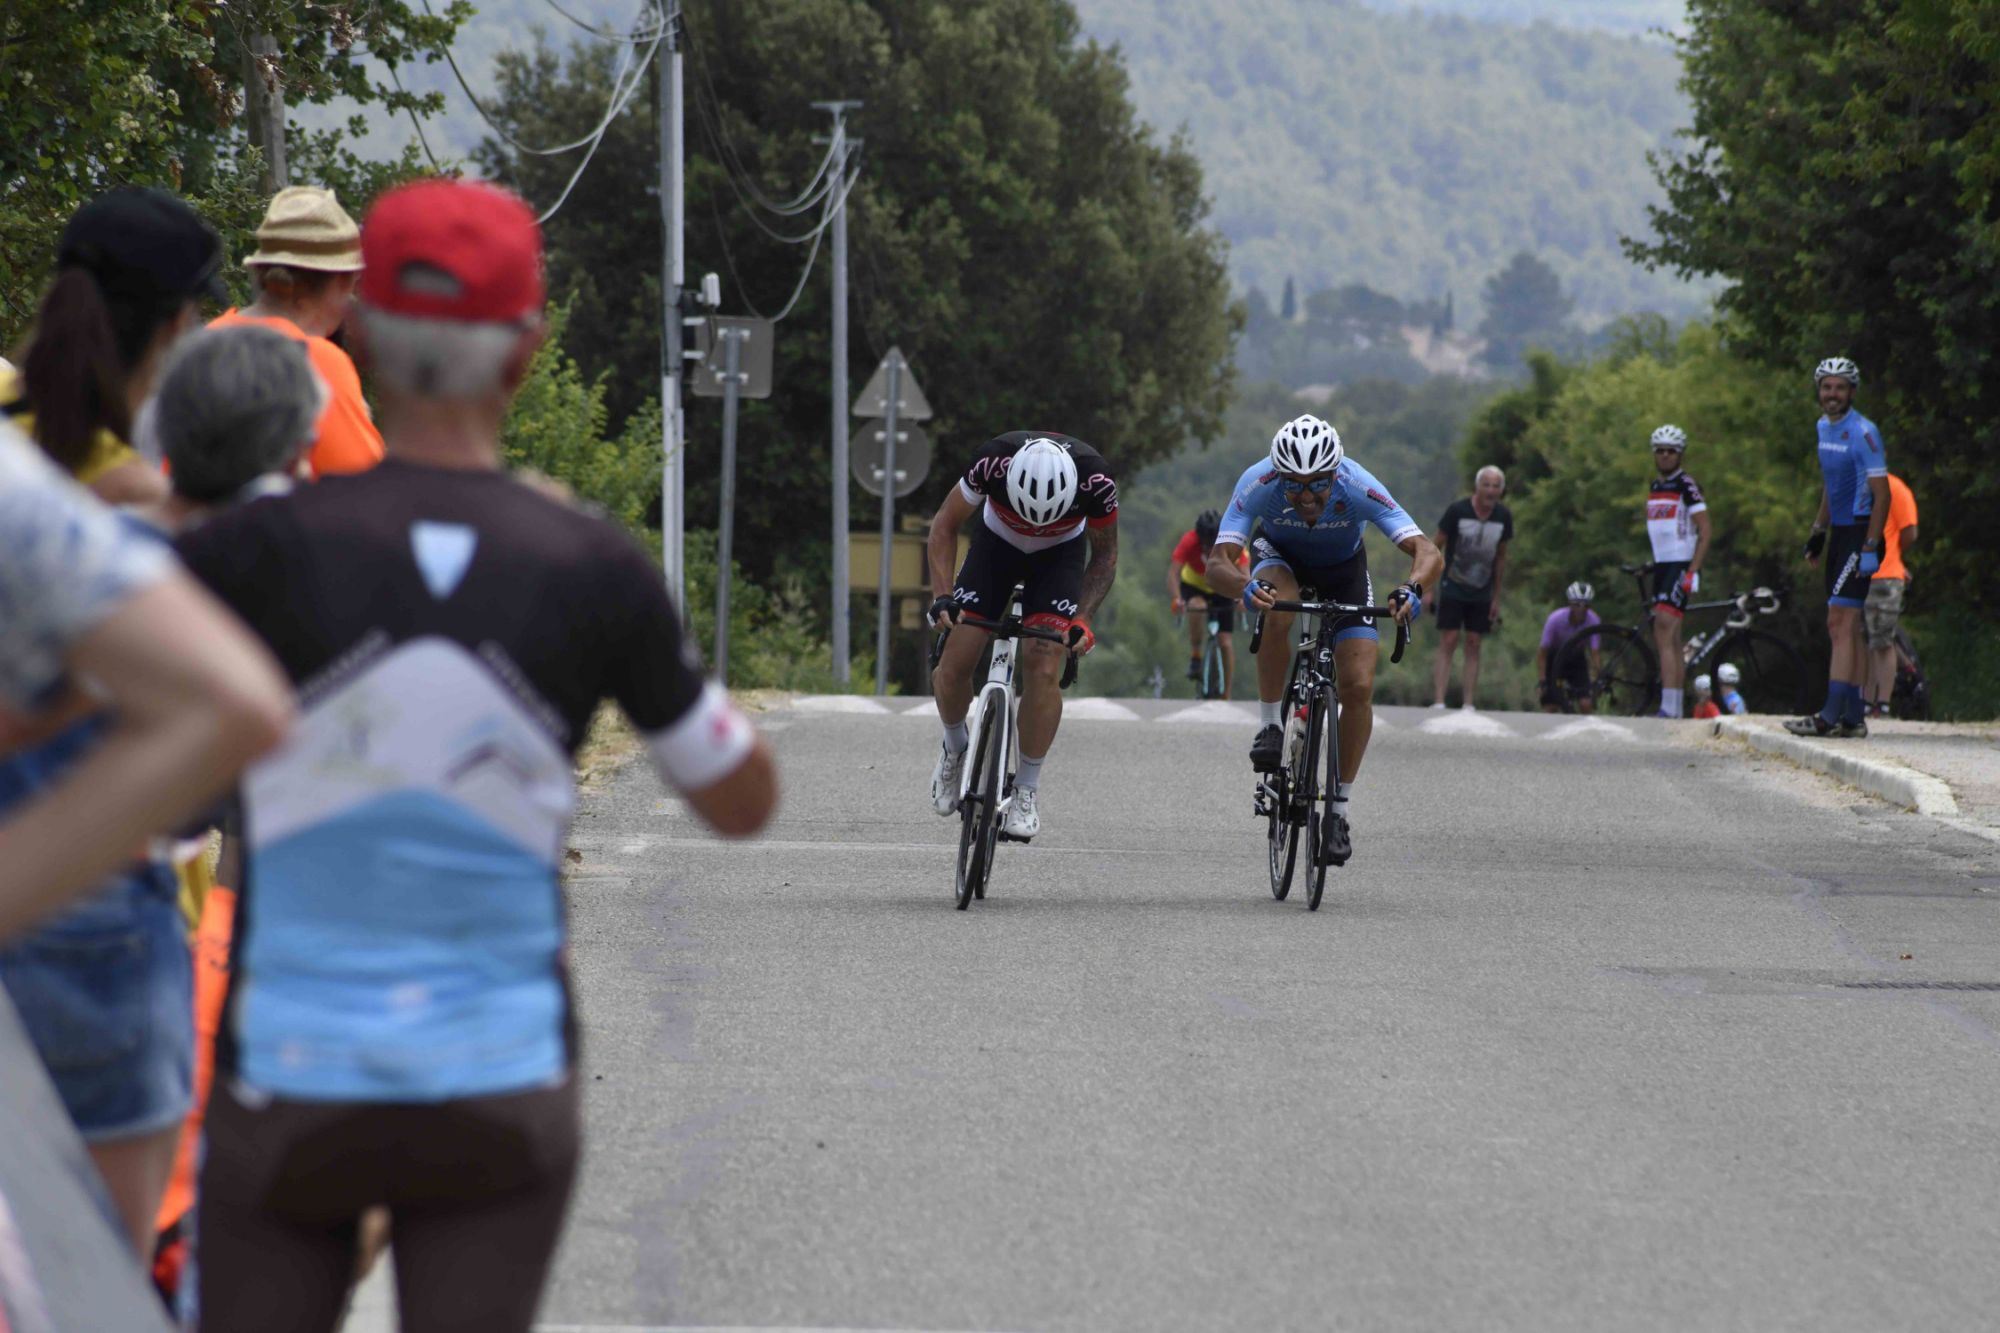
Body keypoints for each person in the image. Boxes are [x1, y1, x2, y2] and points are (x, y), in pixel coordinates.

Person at [172, 179, 777, 1333]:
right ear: (527, 349)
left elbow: (141, 765)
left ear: (363, 333)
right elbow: (740, 799)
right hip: (497, 1076)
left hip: (291, 1068)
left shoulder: (254, 549)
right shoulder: (591, 562)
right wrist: (660, 658)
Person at [0, 188, 295, 1264]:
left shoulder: (12, 443)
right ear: (173, 330)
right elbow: (227, 704)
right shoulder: (127, 498)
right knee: (101, 1274)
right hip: (95, 921)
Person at [1205, 414, 1440, 866]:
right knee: (1277, 603)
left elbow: (1426, 550)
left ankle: (1338, 811)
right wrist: (1244, 587)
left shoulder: (1358, 485)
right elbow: (1217, 563)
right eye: (1294, 486)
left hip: (1344, 571)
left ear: (1336, 474)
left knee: (1358, 686)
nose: (1307, 496)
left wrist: (1412, 588)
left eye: (1318, 484)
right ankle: (1270, 725)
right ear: (1279, 476)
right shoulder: (1258, 482)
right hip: (1278, 559)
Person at [926, 432, 1119, 839]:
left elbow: (1104, 557)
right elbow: (944, 525)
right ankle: (955, 746)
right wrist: (942, 596)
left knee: (1044, 665)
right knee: (956, 661)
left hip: (1059, 557)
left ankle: (1026, 788)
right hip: (996, 547)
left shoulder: (1096, 481)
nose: (1036, 523)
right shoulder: (991, 462)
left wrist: (1083, 619)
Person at [208, 185, 384, 478]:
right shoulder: (316, 361)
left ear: (262, 271)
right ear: (343, 281)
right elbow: (367, 487)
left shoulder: (204, 340)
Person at [1788, 357, 1888, 738]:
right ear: (1819, 390)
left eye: (1840, 388)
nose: (1833, 394)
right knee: (1849, 625)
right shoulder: (1822, 427)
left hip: (1860, 532)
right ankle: (1853, 716)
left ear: (1852, 392)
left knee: (1839, 623)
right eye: (1827, 387)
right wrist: (1818, 530)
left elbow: (1882, 495)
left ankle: (1828, 716)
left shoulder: (1864, 432)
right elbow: (1832, 485)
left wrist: (1870, 545)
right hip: (1839, 532)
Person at [1429, 465, 1512, 710]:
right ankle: (1439, 700)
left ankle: (1468, 702)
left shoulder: (1503, 516)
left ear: (1501, 490)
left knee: (1475, 642)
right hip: (1453, 583)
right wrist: (1428, 588)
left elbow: (1501, 557)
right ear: (1477, 487)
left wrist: (1496, 597)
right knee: (1449, 638)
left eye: (1496, 486)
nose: (1491, 490)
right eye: (1486, 485)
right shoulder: (1458, 511)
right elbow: (1435, 546)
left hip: (1482, 589)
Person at [1643, 424, 1710, 718]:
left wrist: (1693, 570)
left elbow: (1705, 530)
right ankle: (1675, 707)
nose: (1665, 456)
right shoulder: (1656, 486)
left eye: (1671, 451)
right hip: (1662, 565)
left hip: (1680, 564)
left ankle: (1668, 707)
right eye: (1660, 451)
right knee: (1670, 636)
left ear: (1680, 454)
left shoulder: (1686, 484)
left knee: (1663, 629)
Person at [1167, 508, 1248, 695]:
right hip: (1195, 585)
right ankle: (1196, 654)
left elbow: (1245, 574)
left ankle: (1226, 694)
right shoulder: (1189, 541)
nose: (1209, 549)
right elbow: (1173, 574)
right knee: (1197, 606)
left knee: (1225, 642)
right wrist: (1177, 599)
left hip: (1223, 586)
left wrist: (1243, 597)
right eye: (1205, 544)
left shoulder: (1232, 542)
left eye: (1213, 544)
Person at [1864, 472, 1918, 717]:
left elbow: (1909, 532)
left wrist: (1893, 555)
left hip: (1885, 576)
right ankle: (1867, 701)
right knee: (1868, 640)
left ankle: (1882, 703)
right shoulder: (1856, 487)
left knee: (1882, 640)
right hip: (1861, 574)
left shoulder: (1895, 488)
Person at [1536, 581, 1600, 713]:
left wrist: (1597, 678)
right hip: (1555, 659)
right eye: (1577, 604)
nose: (1581, 609)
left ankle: (1585, 725)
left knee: (1585, 704)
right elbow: (1542, 653)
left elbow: (1595, 652)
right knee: (1551, 707)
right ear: (1570, 604)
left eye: (1586, 605)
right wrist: (1542, 681)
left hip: (1577, 659)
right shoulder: (1555, 619)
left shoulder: (1593, 620)